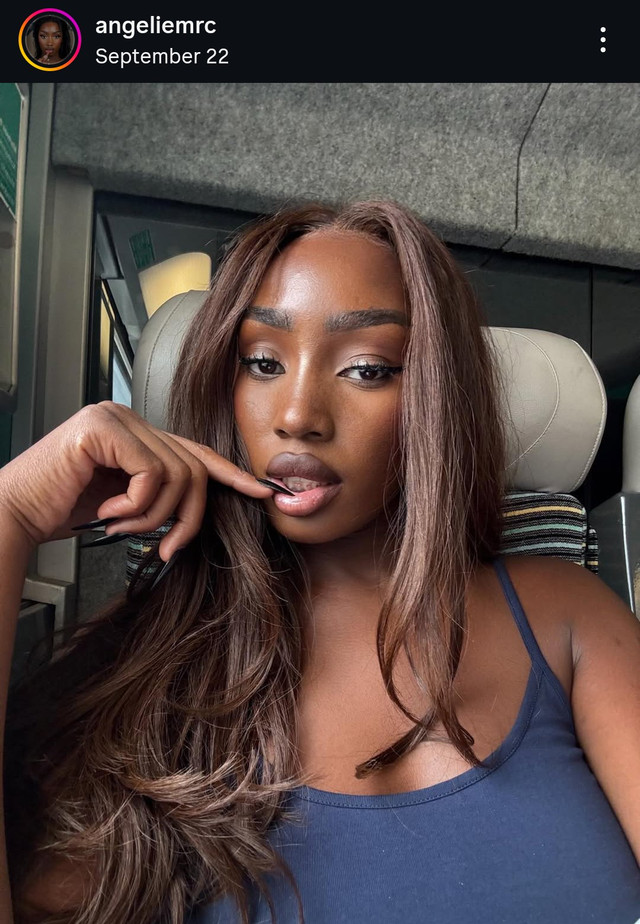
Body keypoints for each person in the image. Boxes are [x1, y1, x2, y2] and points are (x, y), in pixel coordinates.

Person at [0, 200, 638, 923]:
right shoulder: (143, 667)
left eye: (368, 369)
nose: (298, 414)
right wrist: (11, 517)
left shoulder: (568, 613)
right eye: (263, 363)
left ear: (437, 398)